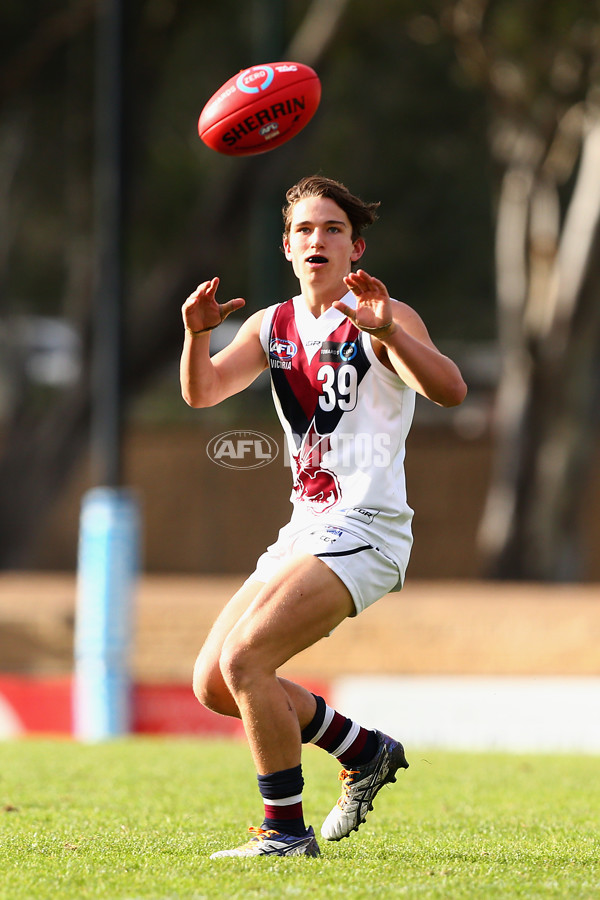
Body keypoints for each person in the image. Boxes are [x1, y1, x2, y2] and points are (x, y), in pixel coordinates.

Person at [180, 175, 467, 858]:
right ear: (286, 247)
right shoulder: (271, 325)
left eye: (333, 229)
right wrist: (195, 336)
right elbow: (203, 393)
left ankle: (285, 835)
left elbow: (451, 390)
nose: (318, 239)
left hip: (368, 528)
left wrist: (390, 332)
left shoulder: (380, 314)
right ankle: (364, 751)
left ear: (355, 248)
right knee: (216, 683)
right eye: (305, 230)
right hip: (307, 527)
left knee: (247, 657)